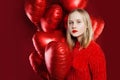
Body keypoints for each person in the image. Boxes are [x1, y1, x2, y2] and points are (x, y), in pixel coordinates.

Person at [65, 9, 107, 80]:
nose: (73, 26)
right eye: (71, 22)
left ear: (87, 25)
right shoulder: (67, 48)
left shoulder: (94, 50)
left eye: (78, 22)